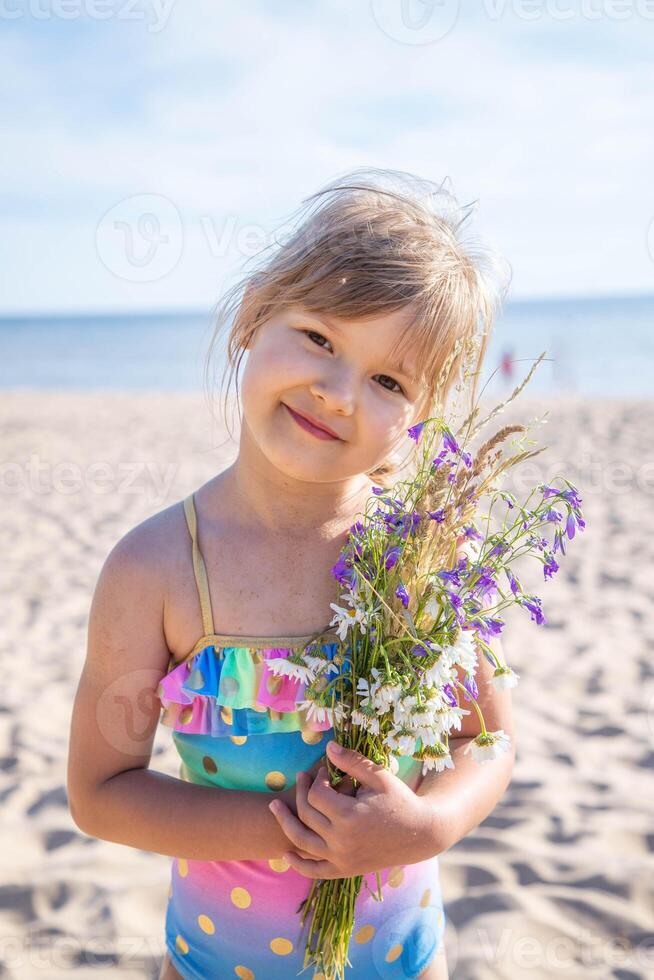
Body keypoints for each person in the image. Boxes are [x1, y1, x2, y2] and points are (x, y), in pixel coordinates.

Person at [67, 167, 516, 980]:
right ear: (252, 317)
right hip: (212, 965)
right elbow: (100, 791)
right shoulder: (159, 568)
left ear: (418, 419)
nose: (339, 392)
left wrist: (428, 826)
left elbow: (486, 738)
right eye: (319, 337)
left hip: (405, 963)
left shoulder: (421, 557)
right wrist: (298, 829)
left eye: (388, 381)